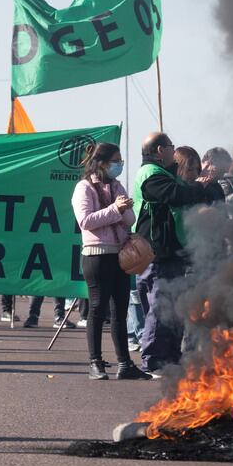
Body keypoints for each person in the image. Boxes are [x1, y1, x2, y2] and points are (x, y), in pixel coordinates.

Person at [133, 133, 227, 373]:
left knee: (174, 310)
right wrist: (200, 184)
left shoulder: (165, 174)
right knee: (158, 309)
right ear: (159, 150)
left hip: (172, 253)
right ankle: (152, 361)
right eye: (170, 147)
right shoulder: (151, 175)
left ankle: (172, 359)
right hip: (156, 253)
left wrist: (202, 184)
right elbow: (176, 195)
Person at [72, 142, 153, 380]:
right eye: (116, 161)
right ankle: (95, 362)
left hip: (119, 255)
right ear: (103, 163)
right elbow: (86, 221)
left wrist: (124, 209)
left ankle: (125, 364)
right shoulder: (84, 188)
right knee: (98, 309)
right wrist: (114, 210)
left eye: (121, 162)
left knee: (120, 309)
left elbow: (129, 219)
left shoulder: (116, 185)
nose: (119, 166)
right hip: (96, 255)